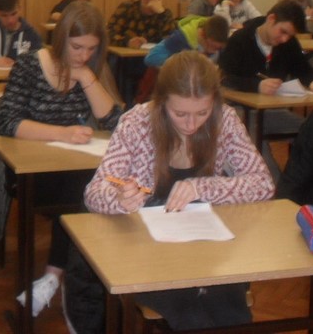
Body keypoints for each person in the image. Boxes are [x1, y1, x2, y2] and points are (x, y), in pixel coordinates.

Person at [82, 51, 274, 330]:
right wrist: (120, 198)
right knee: (191, 316)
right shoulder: (136, 123)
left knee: (234, 317)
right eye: (180, 113)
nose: (191, 124)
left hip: (208, 248)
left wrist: (201, 186)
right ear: (161, 102)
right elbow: (94, 192)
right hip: (148, 254)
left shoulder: (225, 120)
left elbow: (263, 184)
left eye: (202, 113)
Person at [0, 1, 123, 317]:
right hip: (29, 172)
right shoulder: (29, 66)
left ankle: (56, 278)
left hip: (72, 168)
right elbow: (8, 122)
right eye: (77, 47)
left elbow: (116, 122)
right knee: (83, 193)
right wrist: (62, 133)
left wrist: (87, 77)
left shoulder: (91, 68)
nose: (83, 55)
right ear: (61, 38)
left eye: (91, 49)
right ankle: (65, 279)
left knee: (91, 188)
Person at [218, 0, 313, 178]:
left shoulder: (288, 44)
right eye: (282, 32)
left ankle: (300, 183)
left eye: (289, 35)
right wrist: (256, 85)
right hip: (240, 111)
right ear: (271, 19)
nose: (284, 39)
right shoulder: (240, 40)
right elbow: (225, 78)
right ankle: (273, 188)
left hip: (272, 110)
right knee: (255, 149)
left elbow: (303, 69)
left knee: (312, 132)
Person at [107, 0, 174, 48]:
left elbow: (173, 42)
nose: (151, 5)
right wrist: (127, 42)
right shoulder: (127, 8)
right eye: (147, 1)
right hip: (128, 54)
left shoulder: (165, 14)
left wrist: (162, 14)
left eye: (156, 1)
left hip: (154, 54)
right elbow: (107, 34)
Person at [145, 15, 230, 68]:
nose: (213, 52)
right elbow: (151, 58)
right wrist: (184, 62)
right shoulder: (180, 38)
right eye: (212, 47)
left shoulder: (218, 40)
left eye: (218, 48)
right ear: (202, 34)